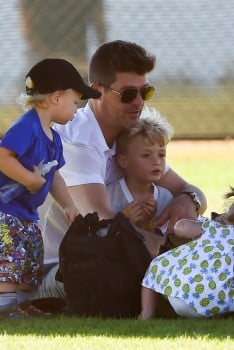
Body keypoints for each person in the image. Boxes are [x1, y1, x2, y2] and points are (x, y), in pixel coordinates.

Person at [32, 40, 207, 301]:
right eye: (127, 94)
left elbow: (191, 191)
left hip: (99, 256)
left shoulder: (130, 138)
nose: (139, 102)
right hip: (56, 270)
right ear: (96, 91)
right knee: (119, 259)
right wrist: (177, 251)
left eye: (145, 92)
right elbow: (104, 226)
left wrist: (186, 200)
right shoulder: (77, 142)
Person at [0, 58, 101, 317]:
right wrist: (29, 179)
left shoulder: (53, 137)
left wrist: (68, 204)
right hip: (7, 214)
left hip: (26, 215)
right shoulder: (28, 126)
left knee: (27, 264)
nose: (77, 110)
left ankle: (20, 307)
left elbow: (54, 174)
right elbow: (3, 156)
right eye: (75, 102)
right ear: (57, 98)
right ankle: (5, 308)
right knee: (8, 264)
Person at [139, 187, 234, 320]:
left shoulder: (213, 227)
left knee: (156, 265)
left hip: (183, 296)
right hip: (220, 303)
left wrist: (200, 224)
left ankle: (146, 313)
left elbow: (181, 228)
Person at [107, 107, 174, 257]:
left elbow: (167, 247)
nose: (156, 161)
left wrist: (149, 225)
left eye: (161, 155)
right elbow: (102, 240)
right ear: (124, 161)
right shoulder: (109, 195)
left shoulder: (166, 198)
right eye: (146, 155)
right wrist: (122, 221)